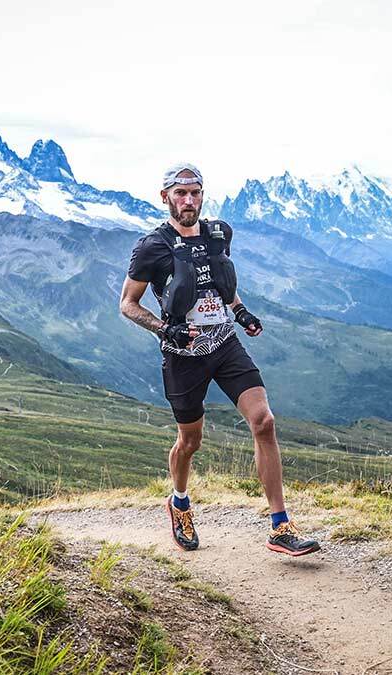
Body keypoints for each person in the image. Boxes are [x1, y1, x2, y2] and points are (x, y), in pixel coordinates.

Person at [118, 162, 320, 556]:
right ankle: (179, 502)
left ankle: (280, 526)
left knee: (264, 421)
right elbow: (128, 304)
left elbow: (219, 282)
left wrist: (240, 311)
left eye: (195, 193)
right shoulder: (151, 247)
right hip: (183, 355)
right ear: (165, 197)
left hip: (225, 344)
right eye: (180, 193)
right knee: (189, 442)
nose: (188, 201)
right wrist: (164, 329)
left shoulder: (218, 234)